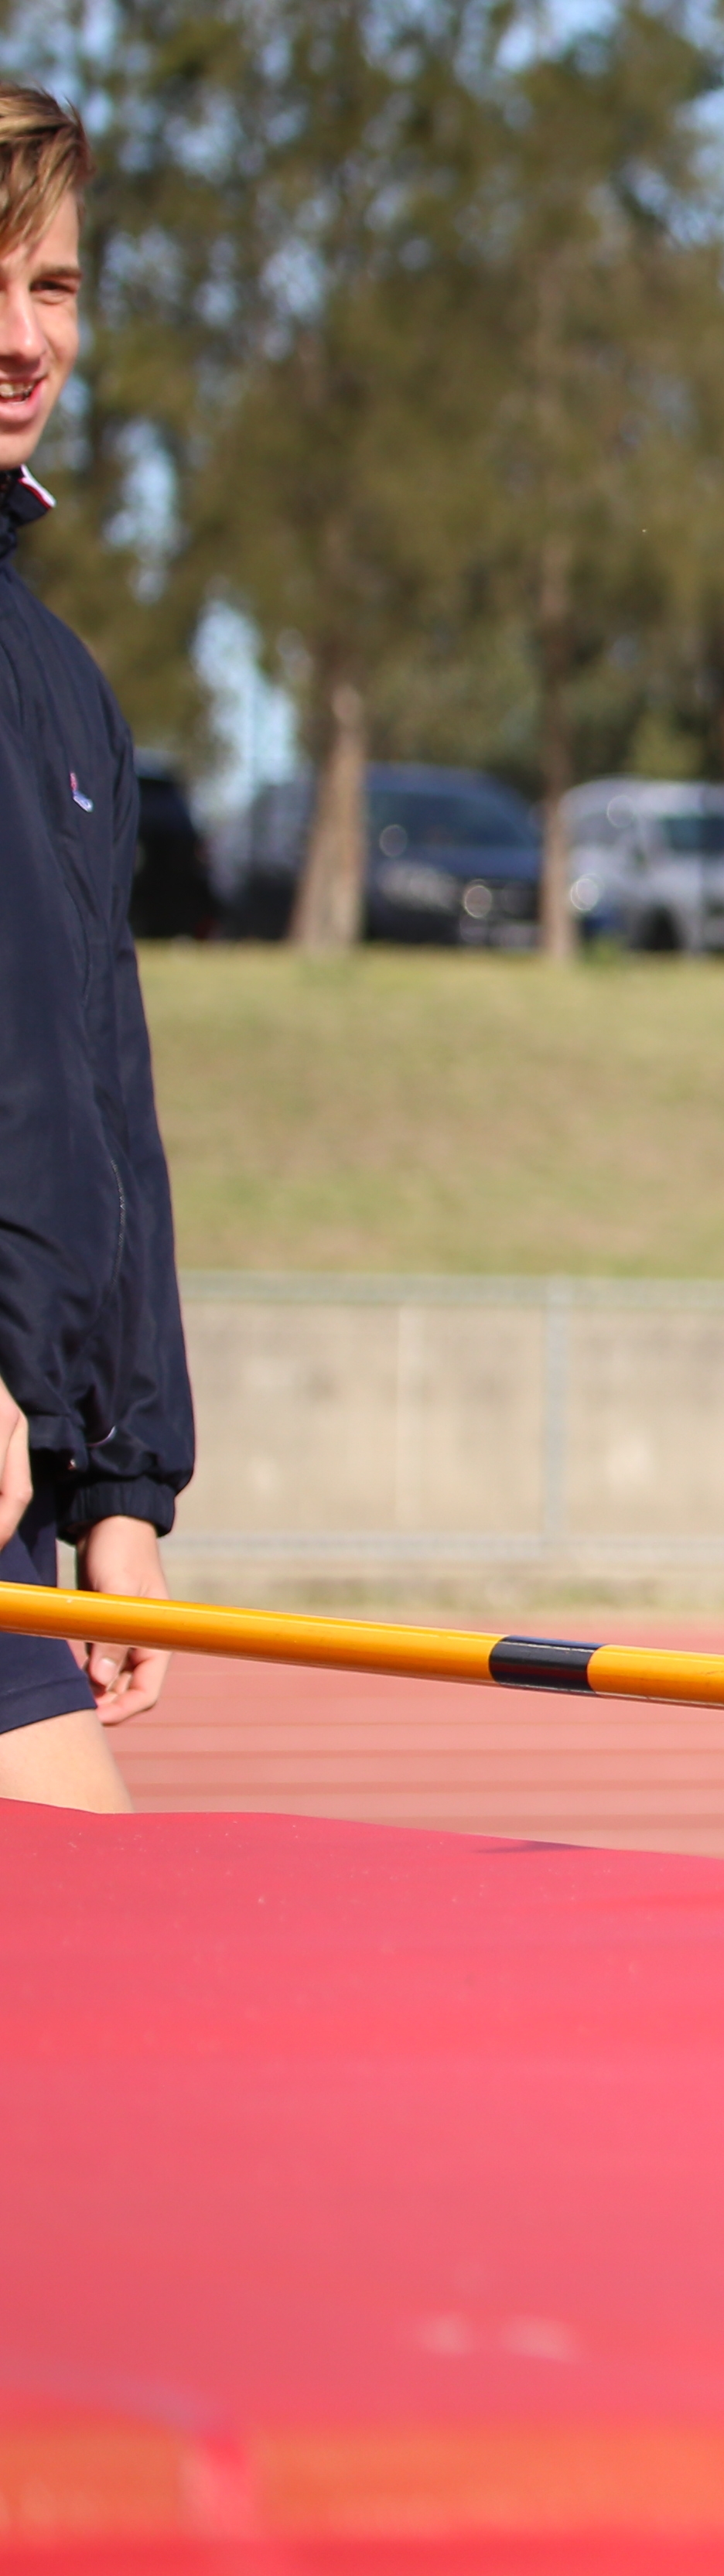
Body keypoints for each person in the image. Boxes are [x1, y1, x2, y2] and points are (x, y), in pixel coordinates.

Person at [0, 86, 185, 1816]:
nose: (19, 338)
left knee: (80, 1986)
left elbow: (100, 1095)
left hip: (15, 1506)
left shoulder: (66, 690)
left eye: (50, 287)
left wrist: (119, 1483)